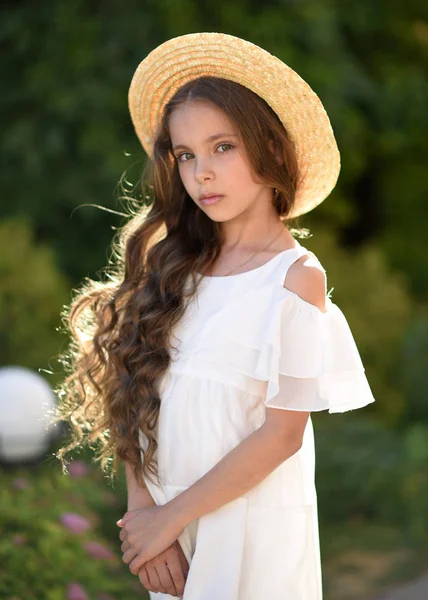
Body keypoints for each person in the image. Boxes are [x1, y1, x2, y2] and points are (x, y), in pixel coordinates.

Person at [54, 32, 375, 600]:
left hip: (250, 528)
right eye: (186, 154)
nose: (202, 171)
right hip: (167, 528)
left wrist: (172, 516)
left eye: (222, 147)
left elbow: (282, 436)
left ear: (269, 150)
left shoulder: (294, 279)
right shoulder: (173, 266)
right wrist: (144, 516)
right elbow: (132, 387)